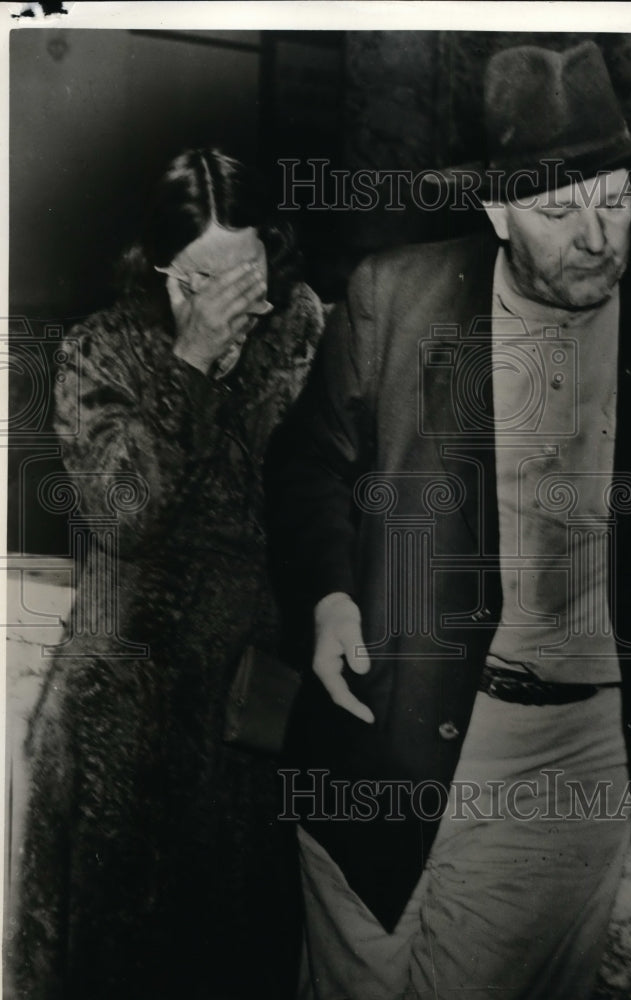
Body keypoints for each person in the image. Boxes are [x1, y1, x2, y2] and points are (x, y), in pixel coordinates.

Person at [266, 43, 631, 1000]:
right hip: (382, 729)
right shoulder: (399, 296)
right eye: (559, 212)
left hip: (566, 753)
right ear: (494, 211)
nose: (598, 236)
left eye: (615, 199)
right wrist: (326, 596)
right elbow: (310, 459)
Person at [14, 148, 326, 1000]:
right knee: (113, 955)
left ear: (274, 247)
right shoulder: (102, 351)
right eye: (198, 277)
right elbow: (124, 518)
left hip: (245, 709)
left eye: (245, 270)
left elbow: (326, 505)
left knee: (235, 944)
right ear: (157, 267)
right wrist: (186, 366)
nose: (228, 299)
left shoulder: (305, 336)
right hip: (122, 711)